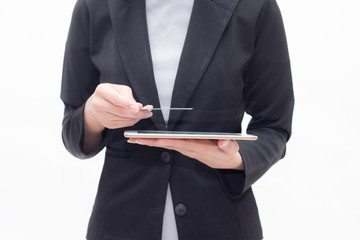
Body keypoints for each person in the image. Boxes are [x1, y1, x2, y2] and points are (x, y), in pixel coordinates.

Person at [60, 0, 294, 239]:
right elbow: (72, 128)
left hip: (221, 223)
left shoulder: (253, 6)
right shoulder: (95, 6)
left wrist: (236, 159)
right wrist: (93, 115)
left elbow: (274, 125)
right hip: (120, 224)